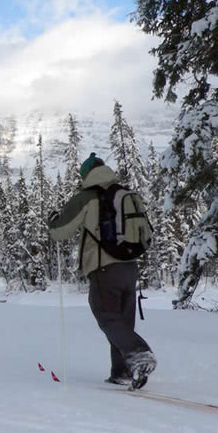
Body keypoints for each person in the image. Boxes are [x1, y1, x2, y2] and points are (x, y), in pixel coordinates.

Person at [48, 152, 156, 390]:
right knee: (121, 321)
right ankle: (122, 372)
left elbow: (60, 231)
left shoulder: (87, 197)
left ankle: (138, 354)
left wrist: (53, 220)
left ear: (86, 175)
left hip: (104, 268)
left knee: (106, 316)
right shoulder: (124, 194)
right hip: (129, 267)